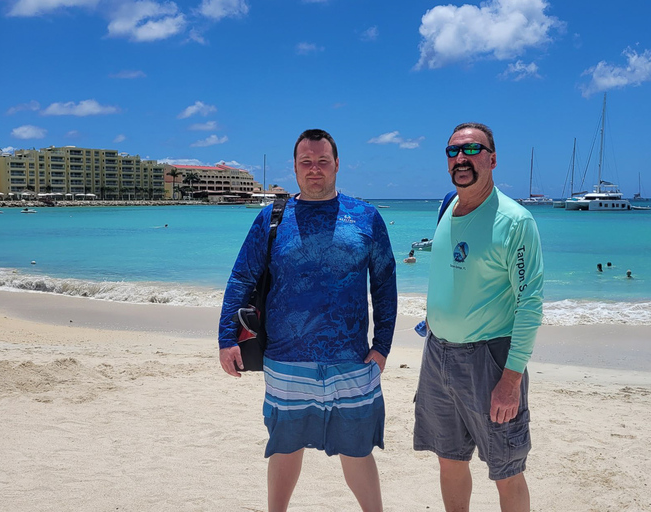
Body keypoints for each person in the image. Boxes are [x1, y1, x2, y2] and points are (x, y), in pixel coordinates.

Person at [218, 129, 397, 512]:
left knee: (358, 450)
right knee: (284, 447)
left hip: (352, 359)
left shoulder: (366, 217)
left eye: (322, 161)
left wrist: (382, 345)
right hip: (286, 358)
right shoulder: (272, 218)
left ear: (336, 165)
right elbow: (242, 277)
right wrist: (226, 338)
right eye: (306, 162)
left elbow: (384, 282)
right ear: (295, 168)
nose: (314, 169)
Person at [414, 122, 544, 512]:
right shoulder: (446, 207)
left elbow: (530, 303)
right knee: (449, 457)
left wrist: (512, 377)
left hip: (490, 360)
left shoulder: (515, 221)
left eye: (472, 150)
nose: (461, 159)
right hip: (437, 354)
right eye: (453, 151)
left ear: (492, 158)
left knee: (506, 468)